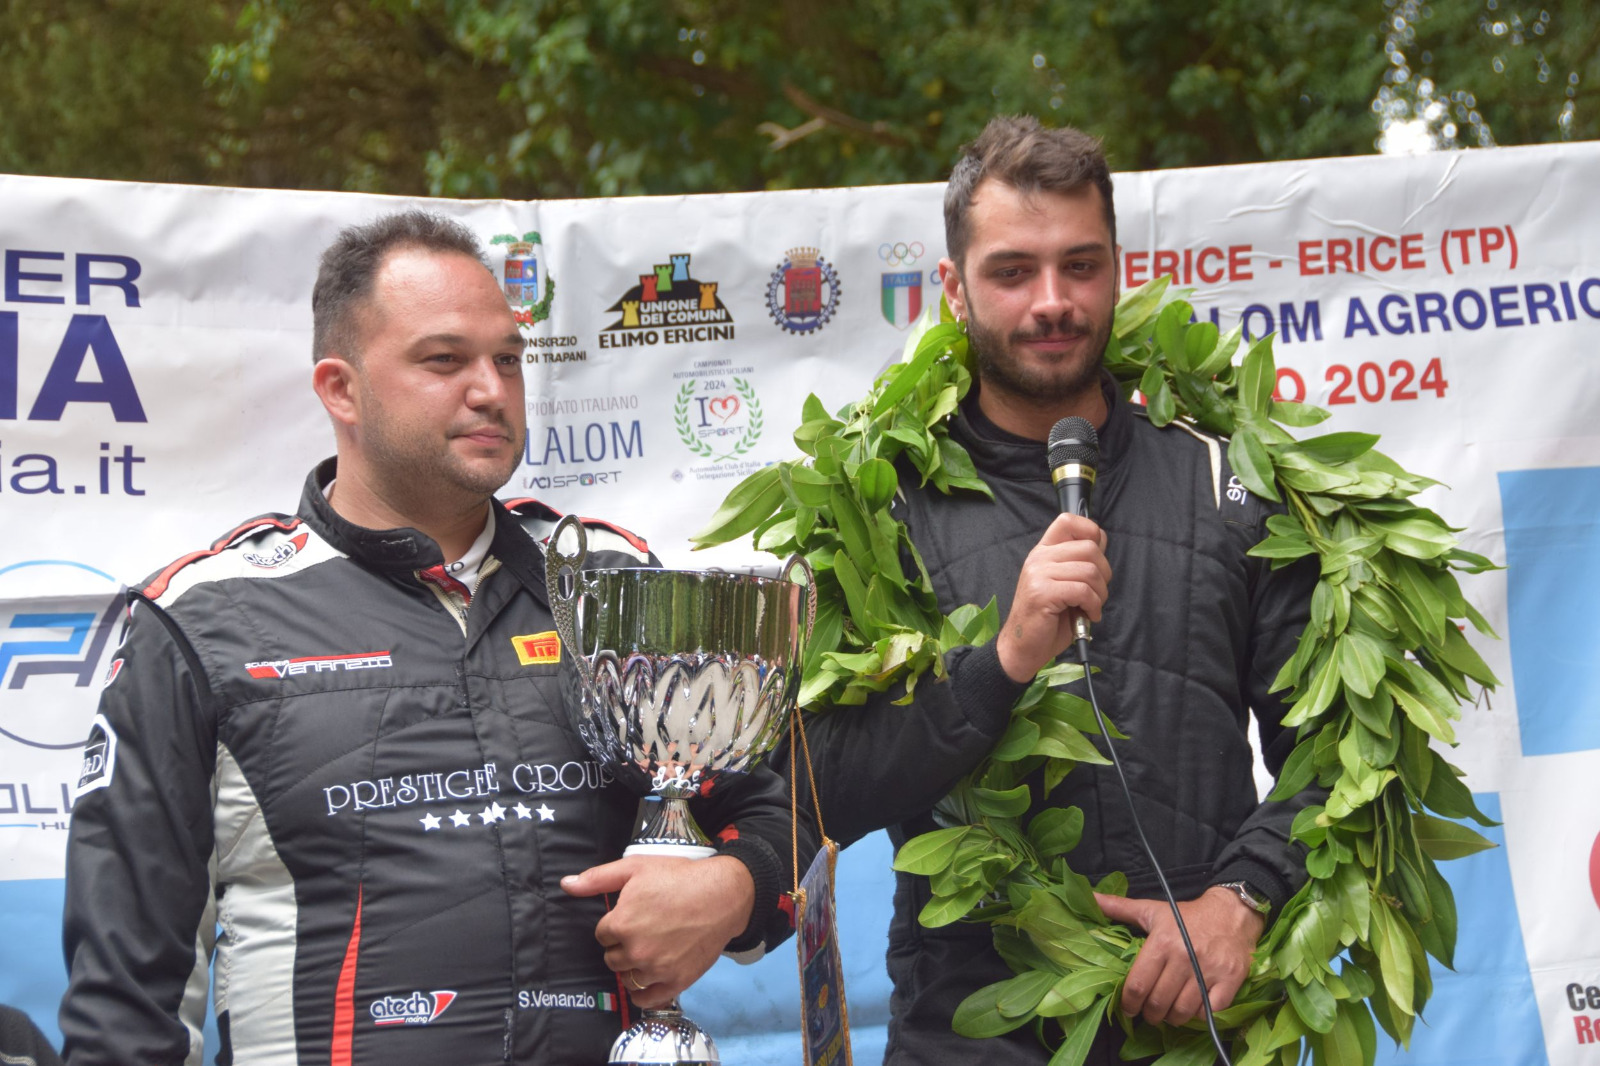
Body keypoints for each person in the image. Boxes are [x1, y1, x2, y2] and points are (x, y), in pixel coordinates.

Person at [58, 211, 804, 1065]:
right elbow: (126, 1000)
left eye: (509, 361)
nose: (491, 389)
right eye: (444, 360)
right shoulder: (202, 619)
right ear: (341, 389)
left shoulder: (613, 584)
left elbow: (780, 799)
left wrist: (736, 888)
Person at [790, 117, 1319, 1064]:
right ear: (953, 290)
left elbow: (1338, 750)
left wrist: (1243, 897)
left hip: (1201, 1022)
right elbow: (821, 789)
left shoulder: (1228, 481)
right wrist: (1002, 662)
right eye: (1012, 272)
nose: (1053, 302)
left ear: (1119, 268)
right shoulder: (881, 509)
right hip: (970, 1035)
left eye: (1081, 266)